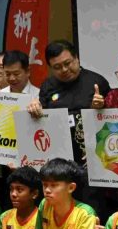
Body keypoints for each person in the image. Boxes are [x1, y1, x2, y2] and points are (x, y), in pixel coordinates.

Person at [33, 40, 112, 169]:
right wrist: (35, 108)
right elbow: (42, 121)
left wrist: (101, 108)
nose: (64, 70)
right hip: (58, 156)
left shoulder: (97, 82)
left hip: (93, 154)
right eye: (57, 67)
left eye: (67, 63)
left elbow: (113, 121)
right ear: (50, 68)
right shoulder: (47, 85)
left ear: (76, 58)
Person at [19, 158, 98, 229]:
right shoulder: (44, 204)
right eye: (45, 185)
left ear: (71, 188)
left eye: (54, 185)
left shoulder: (86, 213)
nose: (47, 190)